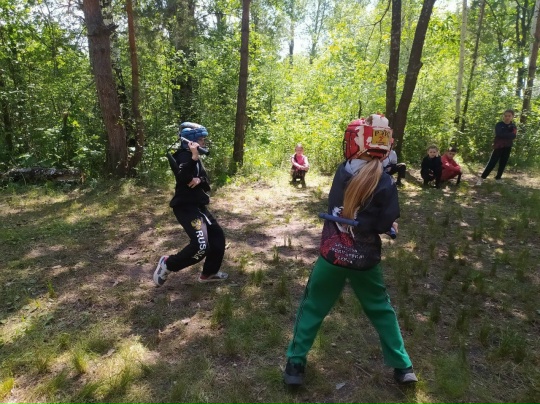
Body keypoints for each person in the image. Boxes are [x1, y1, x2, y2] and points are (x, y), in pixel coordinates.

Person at [283, 114, 417, 387]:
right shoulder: (385, 182)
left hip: (332, 255)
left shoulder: (343, 171)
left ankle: (295, 364)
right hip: (365, 259)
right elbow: (384, 223)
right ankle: (403, 366)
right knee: (381, 309)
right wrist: (389, 226)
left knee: (312, 306)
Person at [153, 122, 228, 286]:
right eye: (201, 139)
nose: (203, 142)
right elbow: (183, 177)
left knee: (217, 238)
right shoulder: (182, 156)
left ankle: (209, 273)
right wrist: (194, 158)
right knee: (201, 246)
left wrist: (199, 179)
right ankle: (168, 264)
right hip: (185, 207)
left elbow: (206, 181)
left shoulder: (195, 158)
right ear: (190, 141)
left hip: (199, 206)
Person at [476, 109, 517, 185]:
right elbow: (499, 134)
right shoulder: (499, 124)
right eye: (506, 116)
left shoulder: (513, 126)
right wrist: (508, 134)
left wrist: (505, 134)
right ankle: (482, 178)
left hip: (508, 146)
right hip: (498, 146)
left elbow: (513, 136)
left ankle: (498, 178)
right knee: (492, 162)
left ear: (512, 117)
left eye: (509, 116)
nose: (507, 117)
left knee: (503, 162)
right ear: (503, 116)